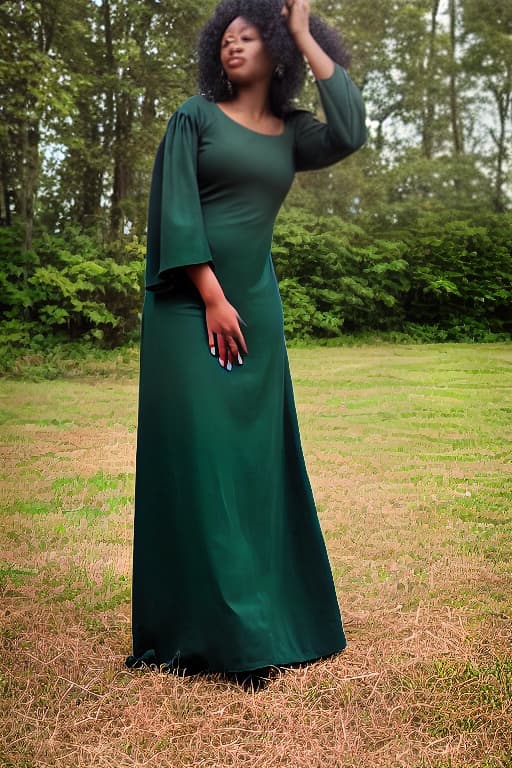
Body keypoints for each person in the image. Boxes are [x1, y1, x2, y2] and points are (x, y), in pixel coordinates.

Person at [126, 0, 366, 680]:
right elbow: (174, 210)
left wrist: (300, 28)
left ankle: (258, 623)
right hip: (187, 308)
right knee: (200, 464)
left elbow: (350, 129)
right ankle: (203, 635)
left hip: (254, 313)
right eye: (227, 37)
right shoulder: (193, 117)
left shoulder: (292, 132)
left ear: (278, 51)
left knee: (254, 470)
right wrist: (210, 295)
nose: (235, 45)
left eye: (252, 35)